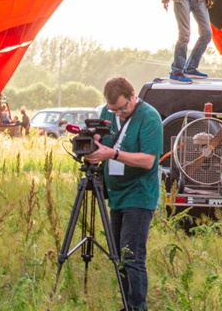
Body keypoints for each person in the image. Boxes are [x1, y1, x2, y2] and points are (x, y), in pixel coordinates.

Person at [86, 77, 163, 311]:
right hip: (116, 194)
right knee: (119, 254)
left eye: (123, 108)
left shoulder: (149, 117)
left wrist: (112, 154)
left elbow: (149, 160)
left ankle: (138, 307)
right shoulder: (106, 114)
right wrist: (94, 145)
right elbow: (105, 141)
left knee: (132, 256)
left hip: (139, 194)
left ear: (132, 96)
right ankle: (127, 304)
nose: (118, 114)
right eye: (113, 110)